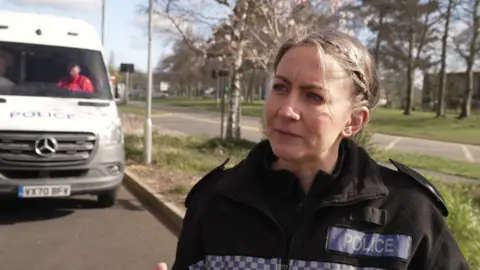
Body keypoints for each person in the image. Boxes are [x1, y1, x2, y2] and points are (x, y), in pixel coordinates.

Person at [158, 29, 469, 270]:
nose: (286, 110)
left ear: (354, 121)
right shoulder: (215, 201)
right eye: (280, 88)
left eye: (314, 96)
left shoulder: (409, 213)